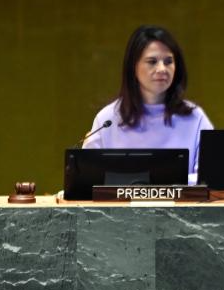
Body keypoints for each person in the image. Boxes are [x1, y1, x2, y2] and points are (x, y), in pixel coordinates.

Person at [83, 25, 213, 181]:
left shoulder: (195, 118)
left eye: (168, 61)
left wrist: (159, 184)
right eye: (152, 61)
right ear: (133, 66)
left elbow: (209, 178)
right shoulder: (107, 120)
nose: (162, 69)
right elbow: (87, 180)